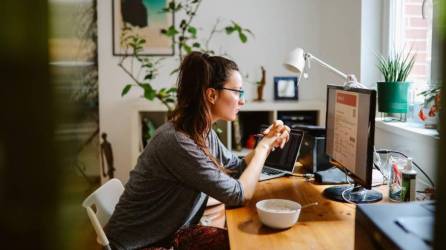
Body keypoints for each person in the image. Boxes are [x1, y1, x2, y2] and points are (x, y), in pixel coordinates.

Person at [104, 52, 290, 250]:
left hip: (168, 234)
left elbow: (237, 167)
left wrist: (266, 142)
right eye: (237, 92)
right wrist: (263, 147)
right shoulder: (178, 142)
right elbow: (238, 195)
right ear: (211, 95)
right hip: (139, 246)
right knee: (244, 243)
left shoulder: (200, 131)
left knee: (244, 241)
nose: (242, 101)